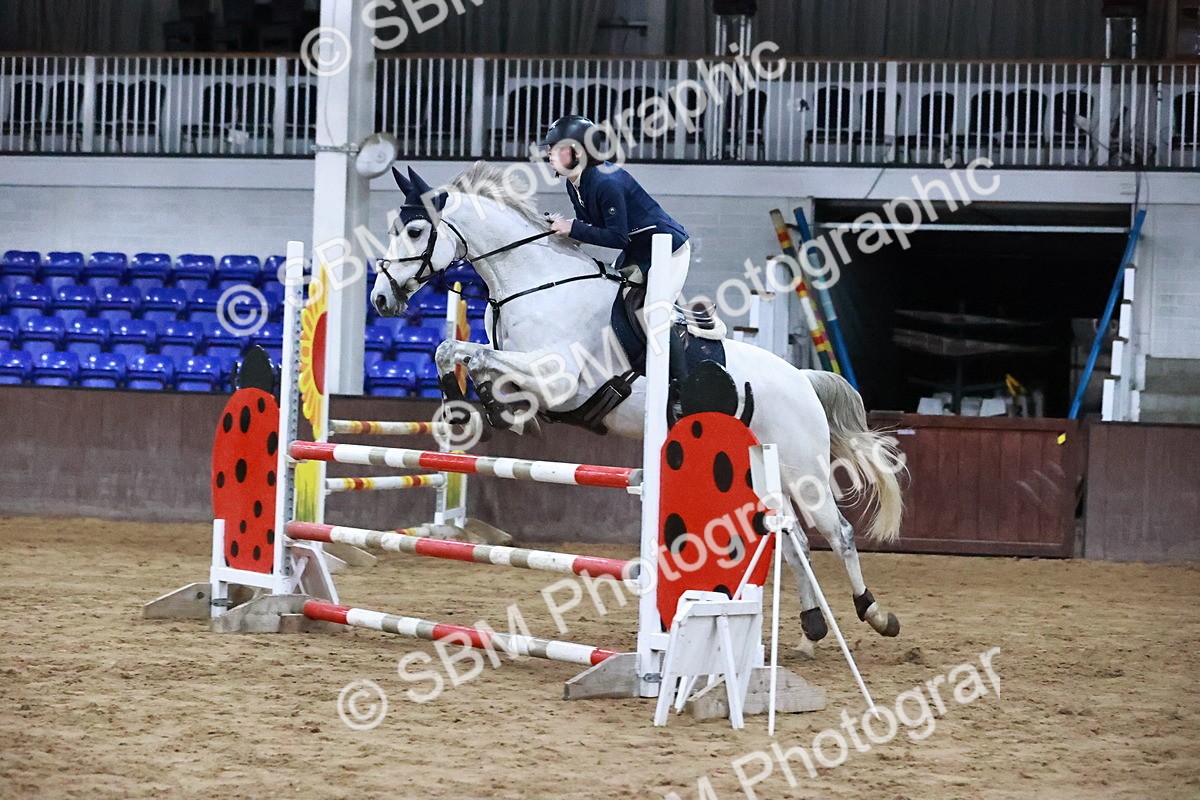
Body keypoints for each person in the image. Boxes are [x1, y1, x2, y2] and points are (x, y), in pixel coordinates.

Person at [538, 115, 691, 305]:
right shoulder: (574, 183)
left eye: (557, 147)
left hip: (668, 250)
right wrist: (562, 232)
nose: (549, 152)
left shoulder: (606, 183)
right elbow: (590, 227)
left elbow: (617, 237)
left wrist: (573, 228)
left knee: (655, 312)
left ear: (578, 152)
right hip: (637, 250)